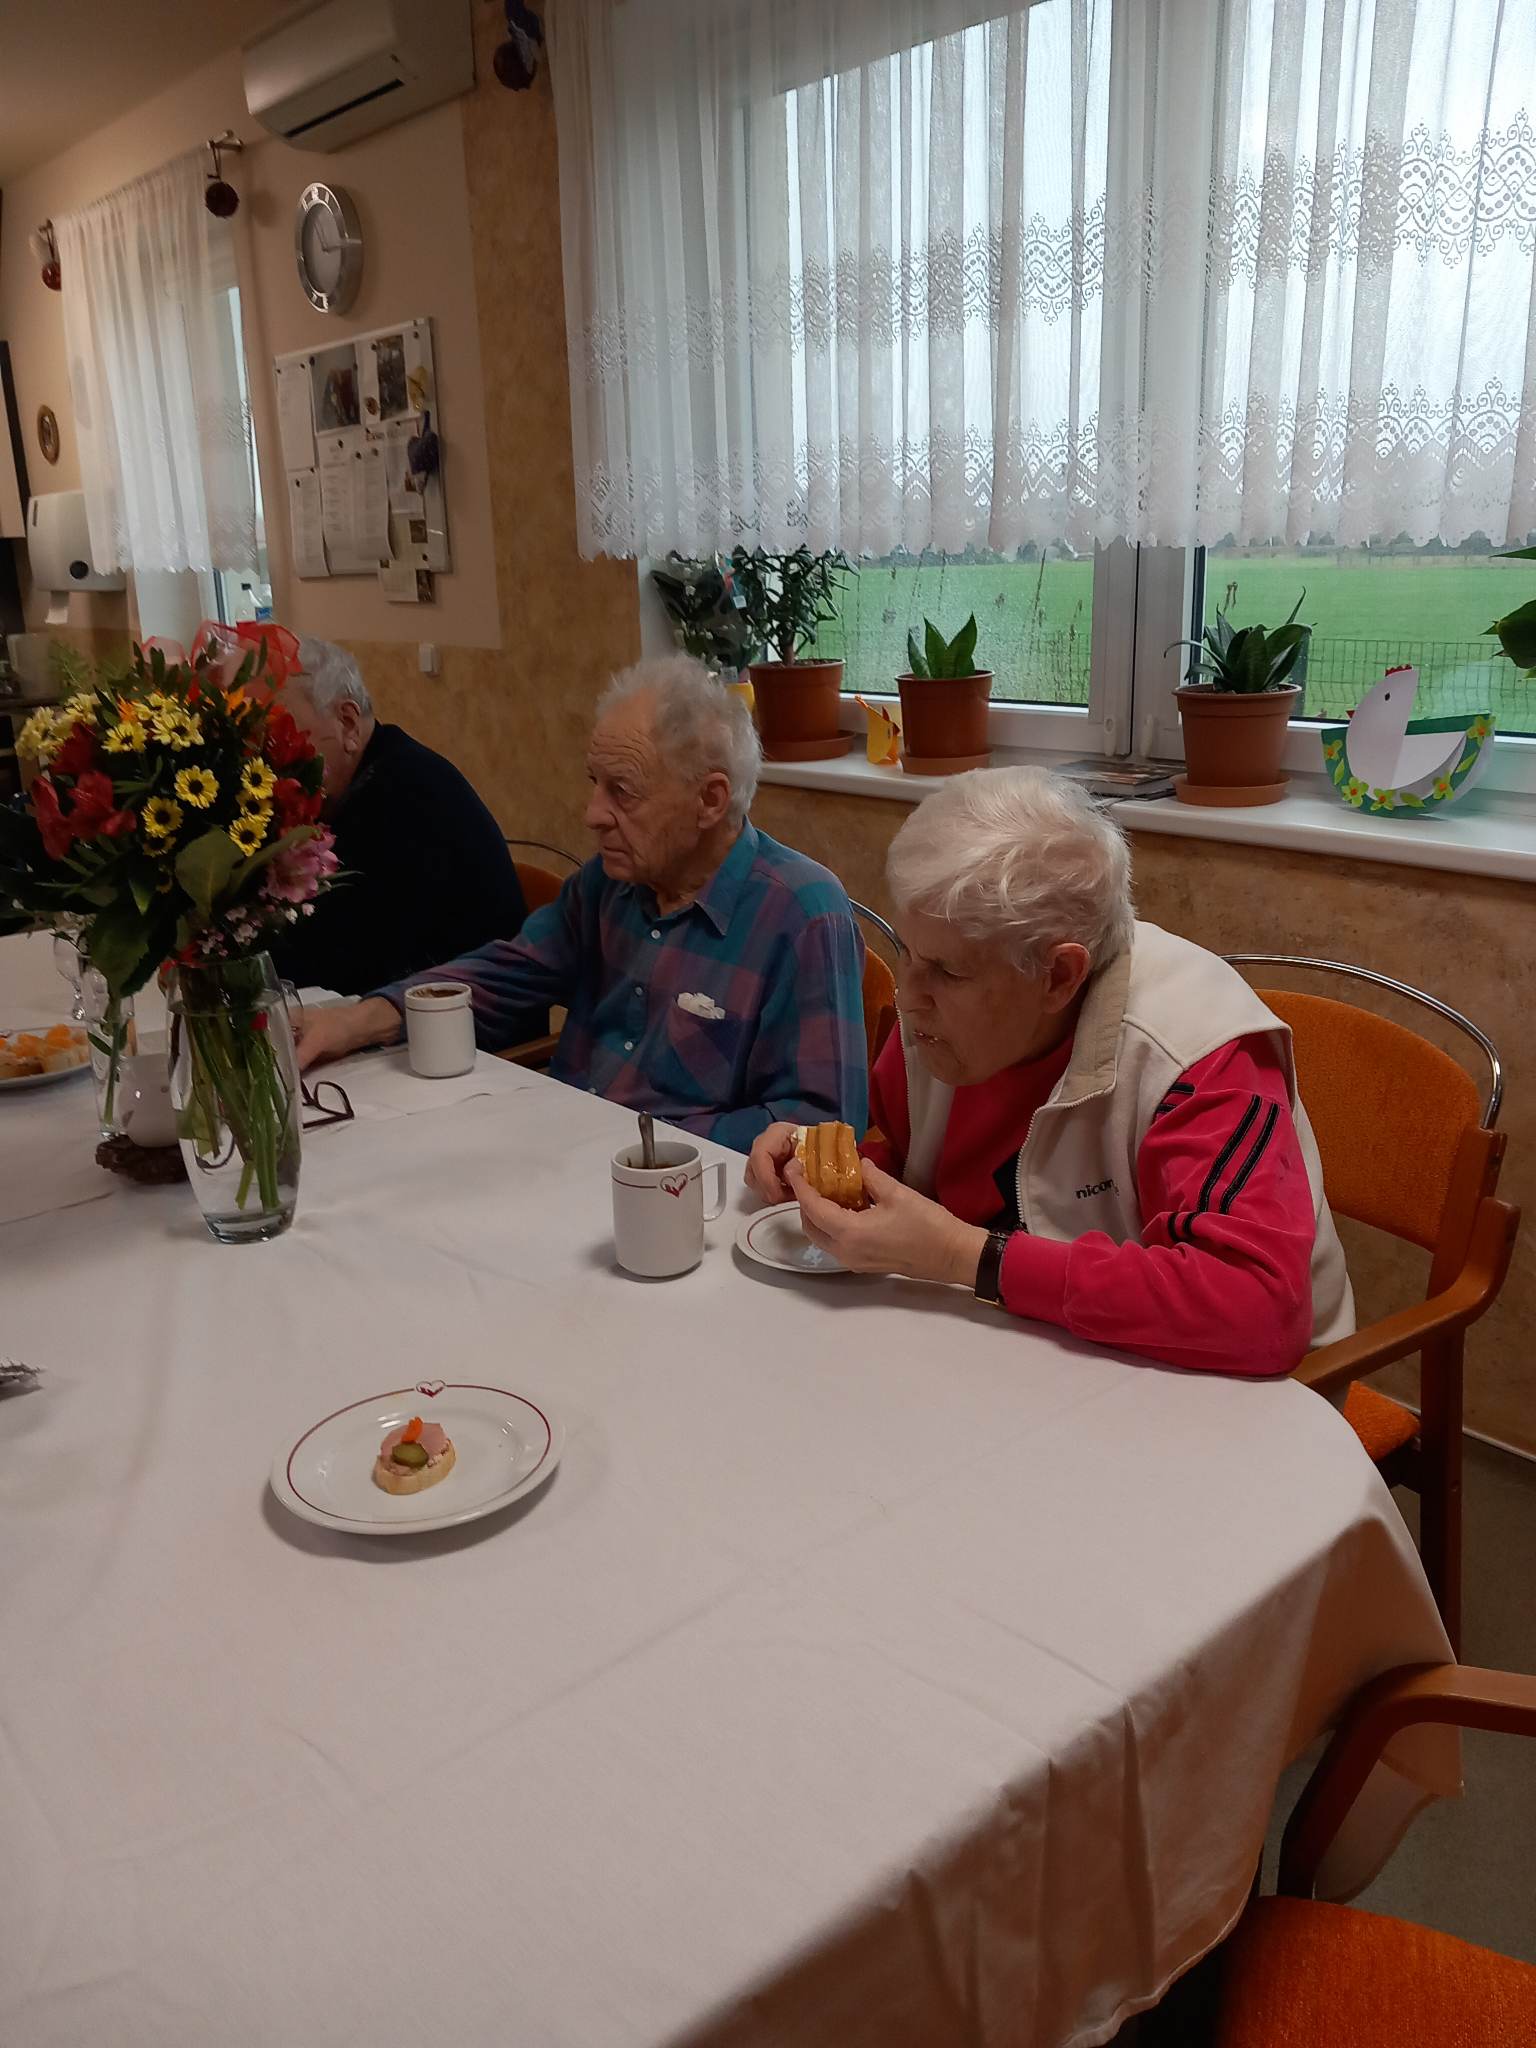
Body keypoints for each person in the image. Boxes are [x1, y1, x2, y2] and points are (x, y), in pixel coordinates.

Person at [747, 766, 1354, 1377]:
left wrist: (965, 1256)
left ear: (1059, 976)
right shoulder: (936, 1029)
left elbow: (1259, 1311)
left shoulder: (1197, 1052)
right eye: (906, 952)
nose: (908, 996)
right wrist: (835, 1173)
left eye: (948, 972)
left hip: (1229, 1386)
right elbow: (922, 1170)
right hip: (1035, 1348)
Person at [292, 654, 870, 1149]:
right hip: (563, 1156)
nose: (593, 814)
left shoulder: (802, 914)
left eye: (622, 791)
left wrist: (642, 1143)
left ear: (710, 800)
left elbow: (823, 1124)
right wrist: (356, 1020)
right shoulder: (611, 884)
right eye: (595, 783)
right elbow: (507, 973)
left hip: (681, 1195)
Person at [270, 638, 532, 999]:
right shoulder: (366, 775)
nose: (272, 760)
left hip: (471, 1016)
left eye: (284, 737)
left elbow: (338, 958)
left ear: (348, 722)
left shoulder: (407, 792)